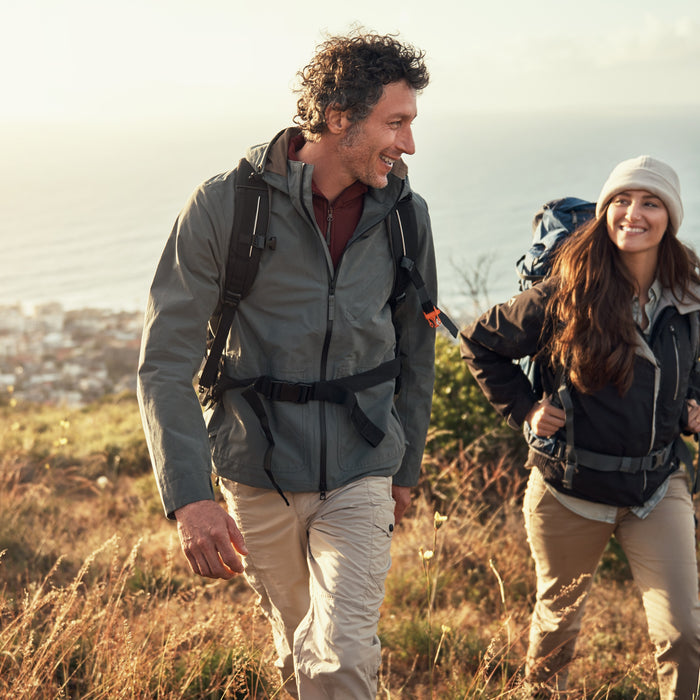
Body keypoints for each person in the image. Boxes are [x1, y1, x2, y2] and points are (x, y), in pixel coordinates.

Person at [137, 31, 437, 698]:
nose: (409, 144)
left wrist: (405, 465)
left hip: (363, 463)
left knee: (342, 653)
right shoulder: (224, 205)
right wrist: (189, 497)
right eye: (396, 123)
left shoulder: (405, 216)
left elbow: (416, 351)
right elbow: (164, 363)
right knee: (296, 643)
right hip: (255, 466)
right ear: (339, 119)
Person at [461, 155, 700, 698]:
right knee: (555, 638)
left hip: (657, 488)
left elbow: (694, 365)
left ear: (671, 216)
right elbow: (478, 342)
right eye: (620, 200)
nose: (632, 213)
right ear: (604, 210)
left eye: (650, 202)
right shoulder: (566, 290)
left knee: (685, 634)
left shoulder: (690, 294)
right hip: (569, 490)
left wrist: (694, 401)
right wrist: (525, 408)